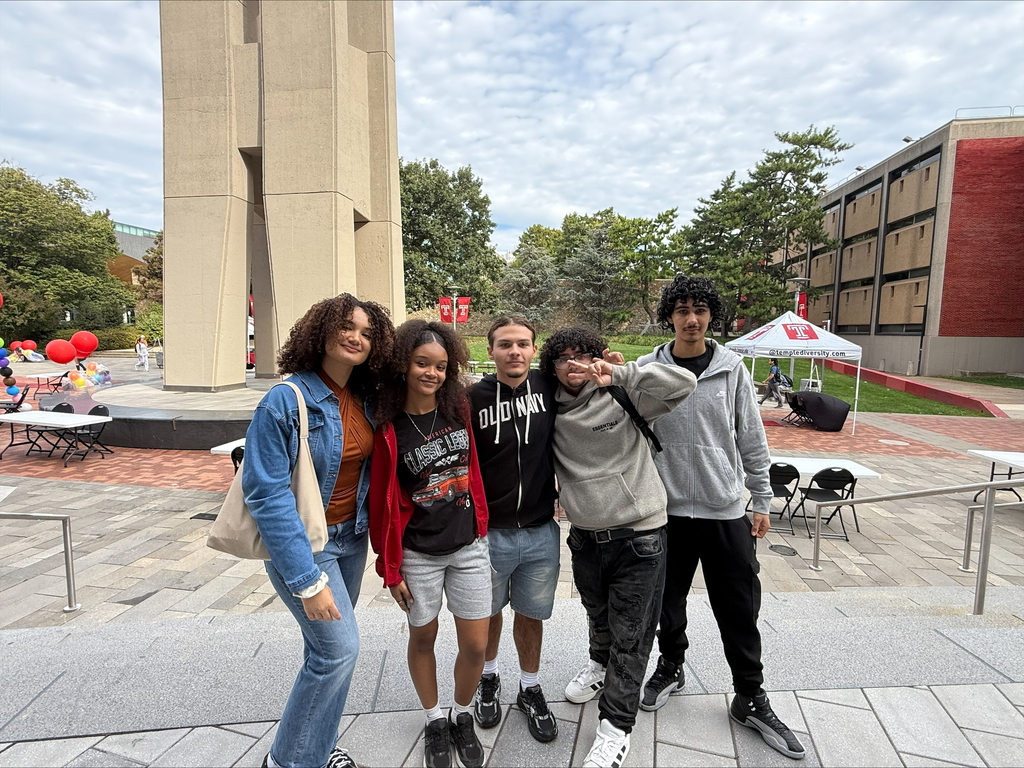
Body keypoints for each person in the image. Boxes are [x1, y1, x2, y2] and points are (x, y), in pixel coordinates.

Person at [637, 275, 806, 760]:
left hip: (725, 510)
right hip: (665, 511)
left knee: (738, 606)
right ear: (669, 316)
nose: (691, 319)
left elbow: (751, 436)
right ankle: (671, 665)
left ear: (712, 315)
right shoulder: (648, 369)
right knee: (666, 600)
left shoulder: (732, 369)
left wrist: (761, 499)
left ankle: (749, 694)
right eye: (682, 310)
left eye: (700, 310)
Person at [242, 293, 394, 768]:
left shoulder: (366, 399)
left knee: (327, 653)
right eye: (347, 326)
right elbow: (266, 494)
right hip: (307, 545)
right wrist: (307, 580)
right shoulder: (285, 400)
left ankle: (316, 748)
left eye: (367, 333)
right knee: (338, 652)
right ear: (320, 331)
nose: (356, 338)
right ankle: (289, 761)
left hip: (351, 539)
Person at [541, 328, 696, 768]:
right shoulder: (548, 408)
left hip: (639, 536)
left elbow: (685, 383)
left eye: (582, 355)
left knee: (632, 637)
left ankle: (615, 729)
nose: (573, 364)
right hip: (585, 536)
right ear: (552, 366)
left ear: (597, 358)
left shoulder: (622, 393)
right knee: (598, 614)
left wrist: (623, 373)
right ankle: (598, 664)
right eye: (563, 358)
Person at [368, 320, 491, 768]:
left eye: (440, 366)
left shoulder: (458, 408)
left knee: (475, 645)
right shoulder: (388, 427)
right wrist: (389, 568)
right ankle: (434, 719)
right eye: (422, 363)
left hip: (469, 547)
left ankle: (462, 714)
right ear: (404, 365)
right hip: (418, 553)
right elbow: (381, 503)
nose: (432, 373)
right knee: (424, 636)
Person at [467, 315, 560, 742]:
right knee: (486, 613)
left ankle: (530, 686)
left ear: (534, 349)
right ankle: (488, 678)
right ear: (491, 350)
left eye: (523, 343)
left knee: (531, 613)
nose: (515, 351)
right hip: (489, 533)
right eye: (505, 344)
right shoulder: (473, 399)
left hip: (540, 528)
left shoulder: (549, 387)